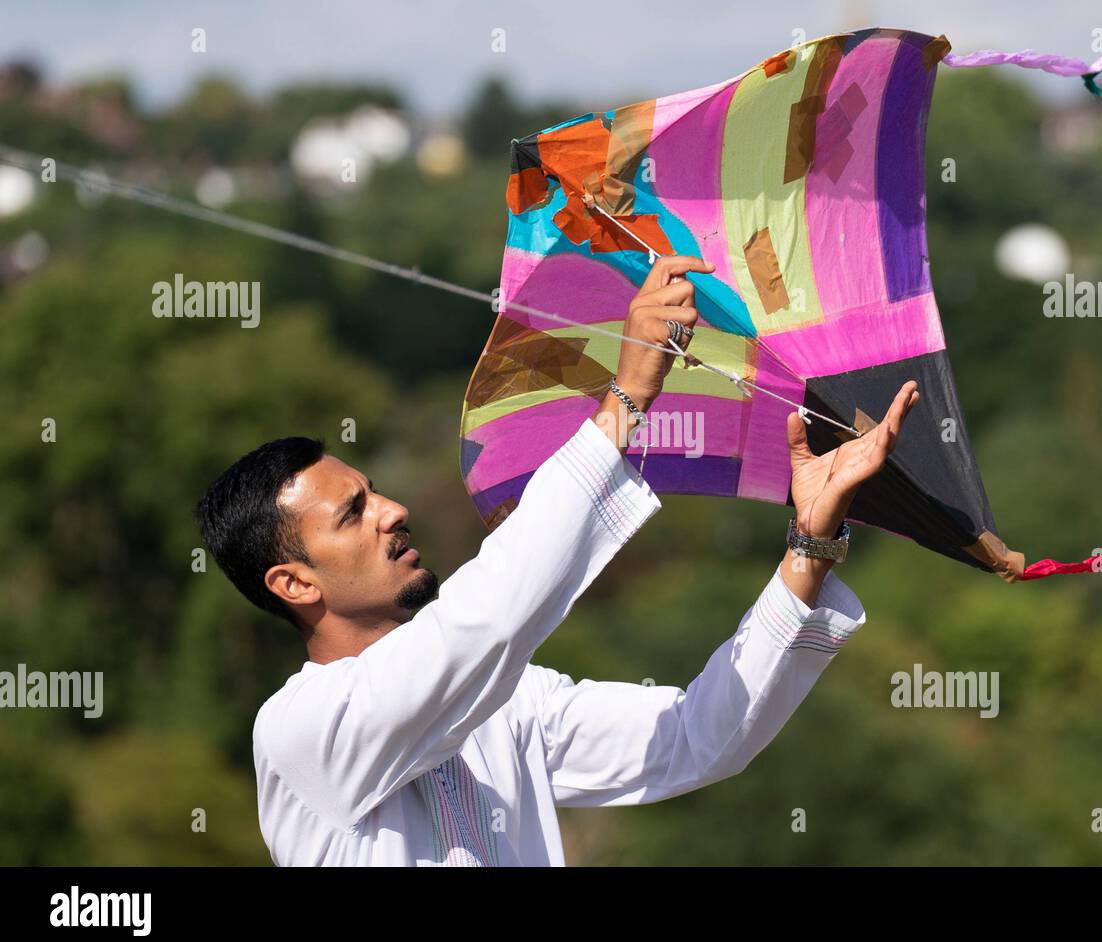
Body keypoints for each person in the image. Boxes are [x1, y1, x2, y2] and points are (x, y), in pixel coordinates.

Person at [195, 255, 920, 866]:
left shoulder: (511, 703)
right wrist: (627, 396)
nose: (392, 511)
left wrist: (809, 547)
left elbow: (697, 740)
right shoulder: (301, 731)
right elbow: (490, 617)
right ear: (292, 583)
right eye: (353, 514)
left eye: (374, 492)